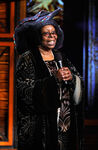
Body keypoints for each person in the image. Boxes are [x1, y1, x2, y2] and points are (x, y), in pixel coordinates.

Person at [15, 8, 84, 150]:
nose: (51, 36)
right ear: (38, 37)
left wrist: (72, 78)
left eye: (53, 33)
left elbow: (78, 80)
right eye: (46, 33)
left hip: (65, 121)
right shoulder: (27, 58)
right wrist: (53, 80)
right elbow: (24, 90)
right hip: (41, 127)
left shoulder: (61, 56)